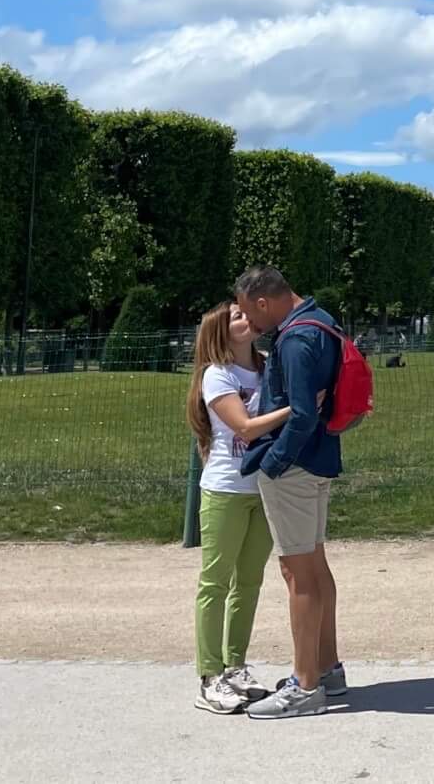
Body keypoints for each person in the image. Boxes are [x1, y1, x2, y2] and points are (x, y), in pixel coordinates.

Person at [231, 268, 349, 721]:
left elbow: (300, 416)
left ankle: (305, 686)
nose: (250, 323)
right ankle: (326, 668)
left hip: (295, 468)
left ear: (263, 301)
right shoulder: (322, 321)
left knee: (297, 574)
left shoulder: (296, 339)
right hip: (319, 460)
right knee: (315, 567)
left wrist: (273, 464)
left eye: (248, 311)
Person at [185, 305, 296, 715]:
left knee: (248, 583)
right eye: (235, 317)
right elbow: (245, 427)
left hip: (264, 487)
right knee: (215, 582)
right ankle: (209, 676)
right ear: (221, 332)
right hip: (226, 489)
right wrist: (300, 408)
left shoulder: (269, 367)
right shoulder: (218, 374)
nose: (245, 318)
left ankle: (235, 667)